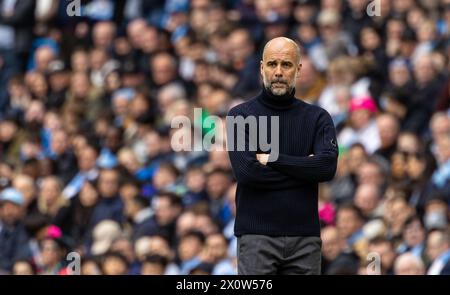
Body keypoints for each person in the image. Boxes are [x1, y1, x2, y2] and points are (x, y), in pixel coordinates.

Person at [227, 37, 339, 275]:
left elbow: (326, 168)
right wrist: (305, 167)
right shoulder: (239, 116)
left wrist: (273, 159)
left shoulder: (318, 117)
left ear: (298, 70)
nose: (278, 72)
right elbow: (247, 174)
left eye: (286, 65)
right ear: (261, 68)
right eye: (272, 64)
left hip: (304, 238)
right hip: (257, 237)